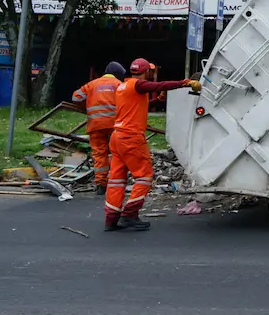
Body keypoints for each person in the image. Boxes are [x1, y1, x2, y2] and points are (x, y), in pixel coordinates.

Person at [104, 58, 200, 232]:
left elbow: (139, 105)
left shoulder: (123, 87)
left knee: (116, 180)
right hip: (131, 138)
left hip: (117, 137)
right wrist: (184, 83)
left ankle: (111, 218)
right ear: (146, 72)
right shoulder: (138, 85)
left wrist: (159, 100)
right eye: (150, 71)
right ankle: (130, 215)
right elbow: (157, 85)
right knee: (144, 176)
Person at [71, 62, 125, 195]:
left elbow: (75, 97)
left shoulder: (92, 84)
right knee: (117, 153)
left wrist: (85, 107)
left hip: (96, 125)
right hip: (115, 125)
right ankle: (116, 182)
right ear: (117, 74)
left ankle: (101, 184)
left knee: (100, 155)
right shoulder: (119, 85)